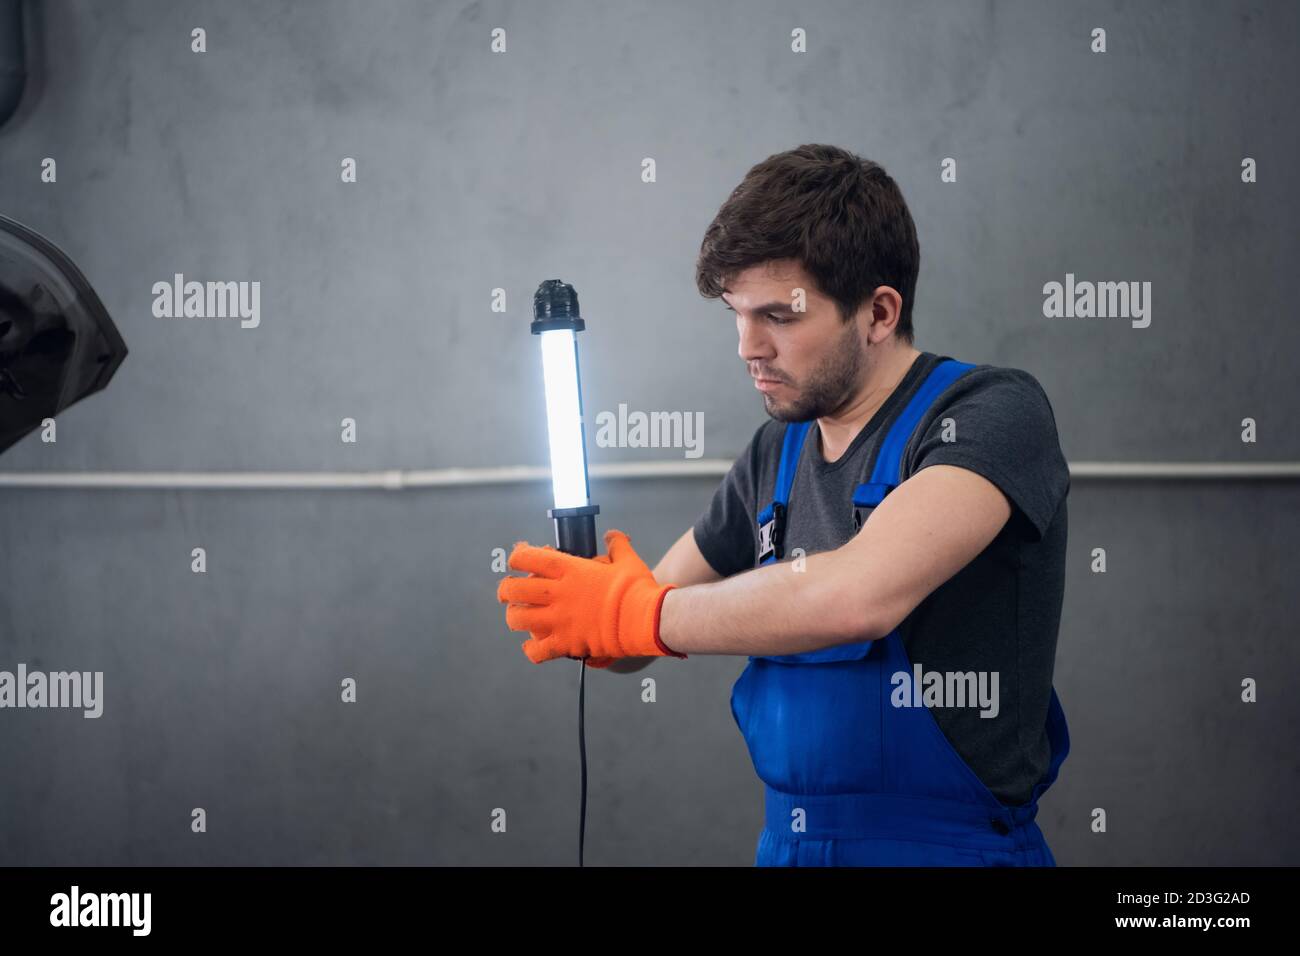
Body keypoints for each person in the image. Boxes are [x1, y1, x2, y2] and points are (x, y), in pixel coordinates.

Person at [499, 144, 1071, 866]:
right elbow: (640, 631)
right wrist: (595, 609)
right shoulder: (777, 455)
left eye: (778, 315)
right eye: (737, 315)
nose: (748, 347)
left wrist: (637, 612)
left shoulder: (987, 417)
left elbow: (858, 595)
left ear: (878, 312)